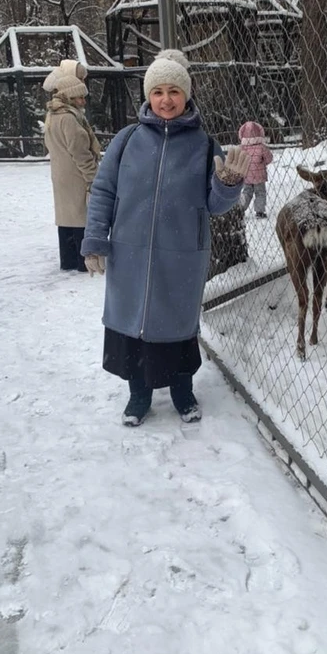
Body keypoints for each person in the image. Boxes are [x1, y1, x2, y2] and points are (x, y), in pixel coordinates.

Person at [82, 48, 250, 426]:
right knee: (133, 329)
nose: (166, 100)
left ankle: (182, 392)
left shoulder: (205, 145)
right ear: (148, 96)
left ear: (186, 95)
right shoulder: (127, 141)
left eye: (174, 91)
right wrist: (95, 239)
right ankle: (139, 396)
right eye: (158, 92)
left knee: (176, 328)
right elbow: (103, 191)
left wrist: (228, 185)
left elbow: (216, 205)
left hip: (180, 256)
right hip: (130, 255)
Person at [43, 67, 101, 271]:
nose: (83, 101)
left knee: (66, 218)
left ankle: (68, 260)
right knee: (80, 217)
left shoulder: (52, 115)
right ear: (70, 96)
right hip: (76, 175)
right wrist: (93, 176)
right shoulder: (69, 118)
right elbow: (80, 151)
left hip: (60, 173)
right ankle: (82, 262)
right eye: (80, 97)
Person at [238, 120, 273, 218]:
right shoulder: (262, 147)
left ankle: (241, 209)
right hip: (259, 176)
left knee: (246, 192)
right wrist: (262, 162)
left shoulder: (242, 148)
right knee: (260, 192)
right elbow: (269, 158)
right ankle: (259, 211)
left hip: (246, 175)